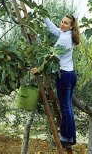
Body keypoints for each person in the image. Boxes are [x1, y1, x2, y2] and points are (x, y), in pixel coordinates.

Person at [32, 15, 80, 148]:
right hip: (70, 74)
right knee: (67, 107)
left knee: (65, 108)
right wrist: (44, 16)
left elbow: (53, 56)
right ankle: (70, 138)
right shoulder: (67, 34)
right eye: (62, 22)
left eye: (66, 23)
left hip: (64, 75)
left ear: (71, 26)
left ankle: (67, 138)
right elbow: (54, 29)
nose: (62, 24)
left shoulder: (64, 38)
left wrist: (39, 69)